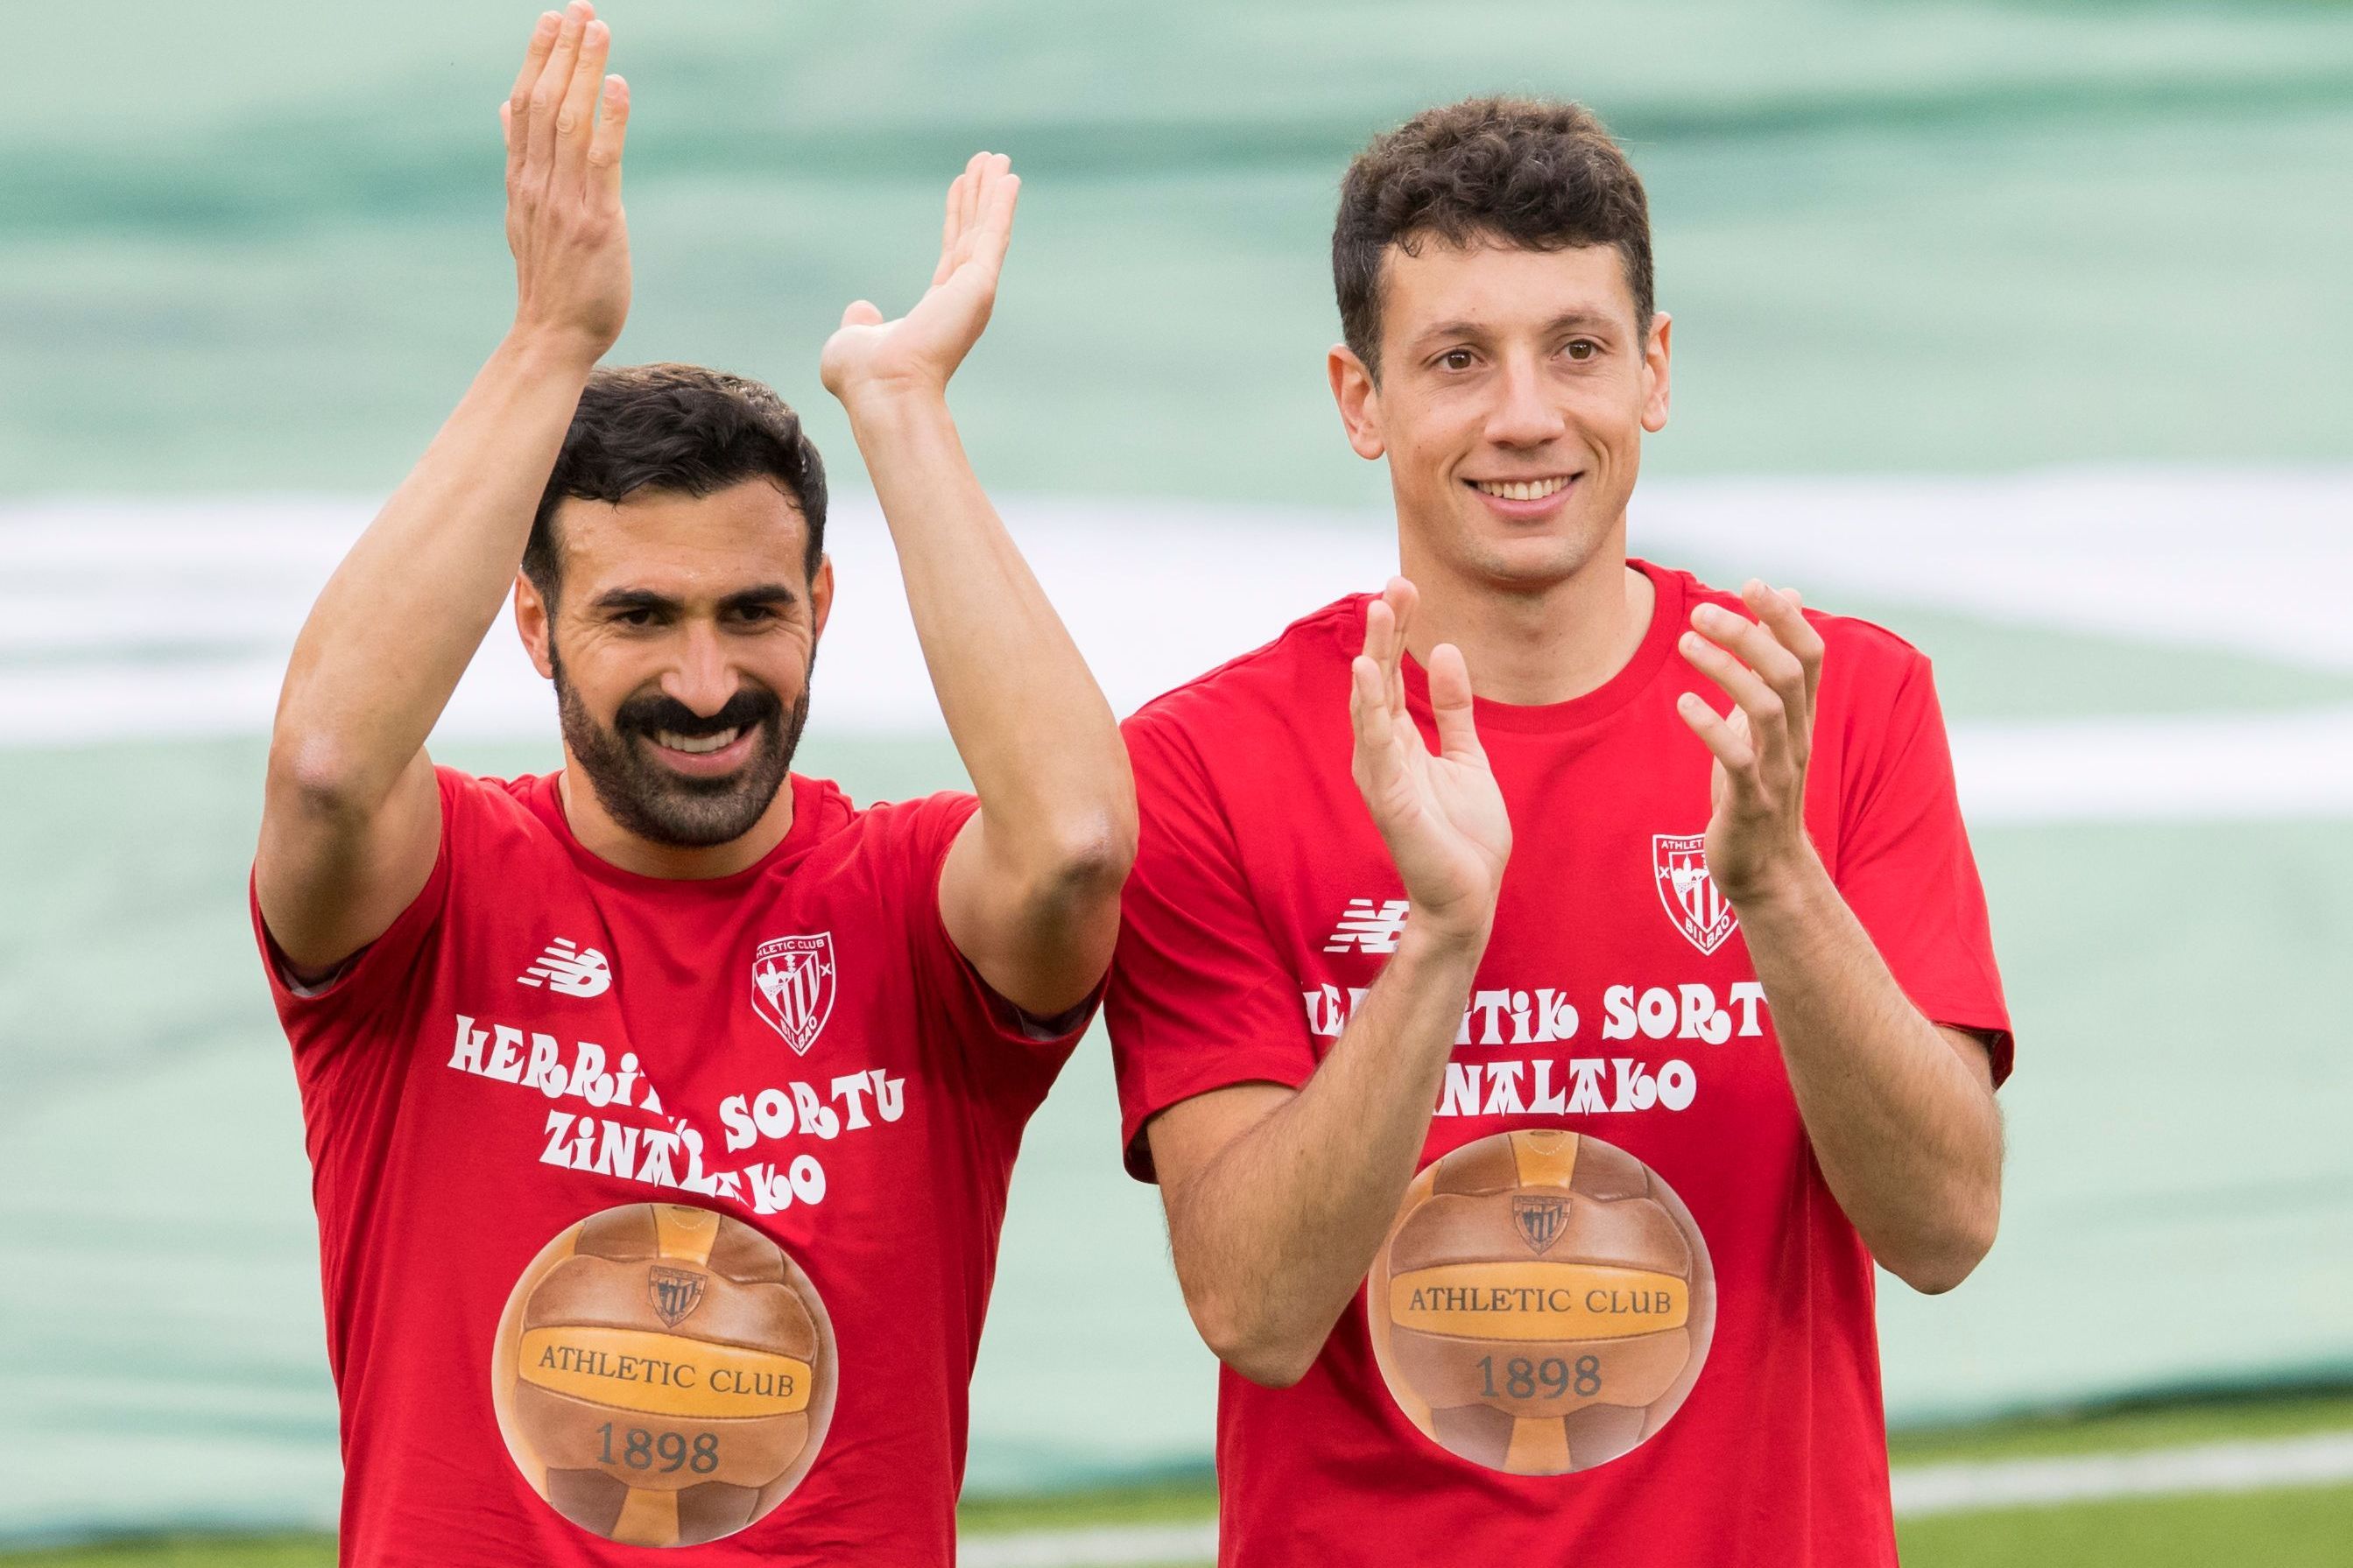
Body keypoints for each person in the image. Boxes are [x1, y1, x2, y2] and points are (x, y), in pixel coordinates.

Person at [250, 6, 1132, 1563]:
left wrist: (903, 409)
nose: (709, 684)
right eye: (639, 617)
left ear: (822, 610)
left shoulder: (908, 909)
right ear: (531, 625)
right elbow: (325, 770)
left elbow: (1070, 846)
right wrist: (548, 341)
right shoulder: (434, 891)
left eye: (753, 612)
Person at [1104, 96, 2010, 1565]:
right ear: (1360, 399)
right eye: (1457, 360)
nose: (1525, 414)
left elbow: (1946, 1226)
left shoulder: (1832, 702)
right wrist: (1441, 941)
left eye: (1576, 348)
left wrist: (1776, 887)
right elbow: (1256, 1314)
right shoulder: (1204, 764)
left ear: (1653, 371)